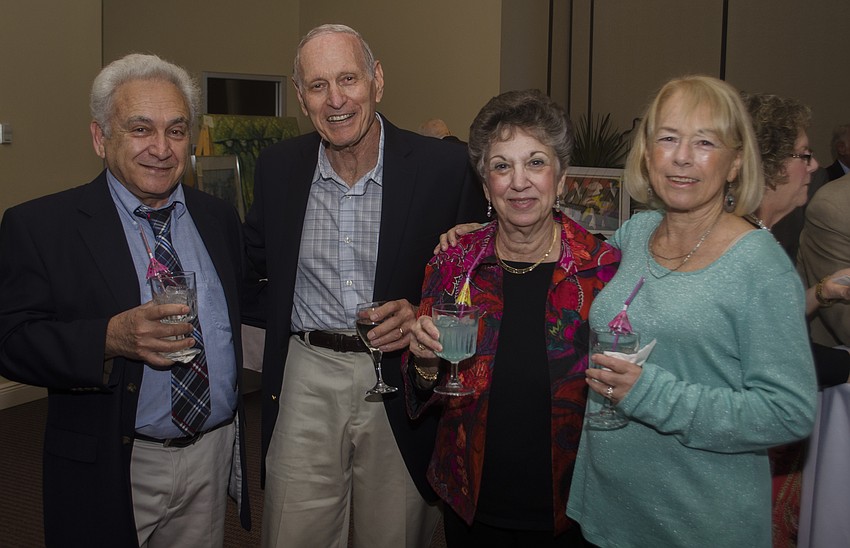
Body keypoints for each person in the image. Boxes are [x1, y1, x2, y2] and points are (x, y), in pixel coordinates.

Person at [244, 24, 486, 548]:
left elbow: (477, 286)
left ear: (377, 79)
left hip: (403, 379)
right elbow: (253, 267)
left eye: (348, 78)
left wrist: (423, 315)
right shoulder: (278, 169)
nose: (336, 100)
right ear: (301, 96)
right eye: (318, 85)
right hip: (307, 373)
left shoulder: (446, 168)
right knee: (290, 531)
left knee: (392, 535)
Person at [0, 53, 250, 547]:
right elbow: (10, 340)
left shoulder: (218, 218)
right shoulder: (42, 227)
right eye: (140, 129)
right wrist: (109, 338)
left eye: (176, 130)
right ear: (100, 138)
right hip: (117, 462)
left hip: (211, 454)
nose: (161, 148)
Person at [566, 75, 817, 547]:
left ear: (736, 161)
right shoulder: (636, 234)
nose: (682, 156)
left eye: (705, 142)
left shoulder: (760, 266)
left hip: (698, 523)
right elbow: (563, 265)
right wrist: (479, 238)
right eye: (668, 138)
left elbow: (789, 412)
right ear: (647, 154)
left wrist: (650, 394)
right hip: (607, 507)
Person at [405, 89, 619, 546]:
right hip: (471, 504)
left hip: (574, 509)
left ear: (561, 178)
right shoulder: (454, 263)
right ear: (486, 187)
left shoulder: (603, 270)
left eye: (535, 162)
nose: (519, 182)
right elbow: (424, 390)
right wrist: (423, 363)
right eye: (502, 166)